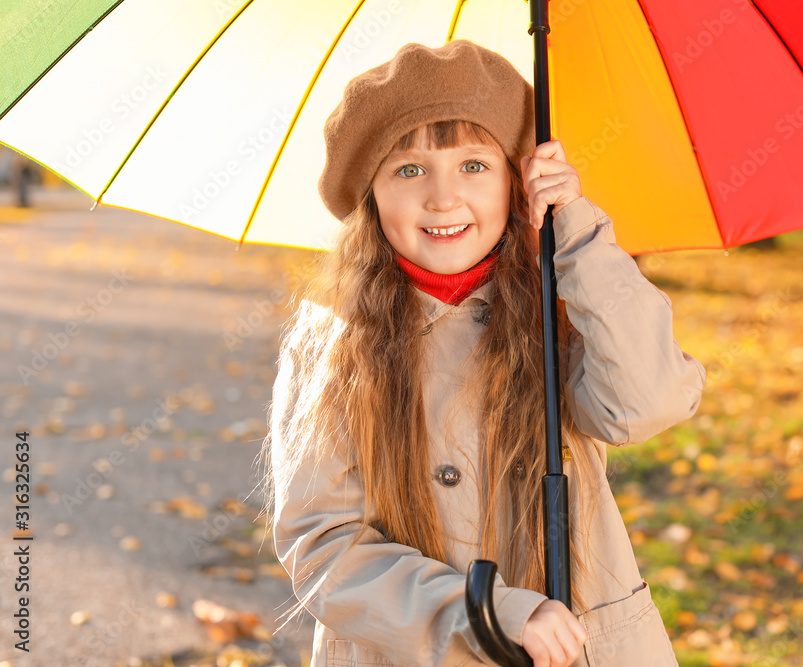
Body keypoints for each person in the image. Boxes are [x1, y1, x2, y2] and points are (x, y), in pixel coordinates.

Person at [258, 40, 706, 667]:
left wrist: (573, 227)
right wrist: (489, 612)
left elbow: (647, 401)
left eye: (474, 165)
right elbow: (325, 545)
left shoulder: (565, 306)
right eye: (409, 170)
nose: (444, 198)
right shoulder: (334, 339)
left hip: (580, 646)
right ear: (371, 196)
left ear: (516, 183)